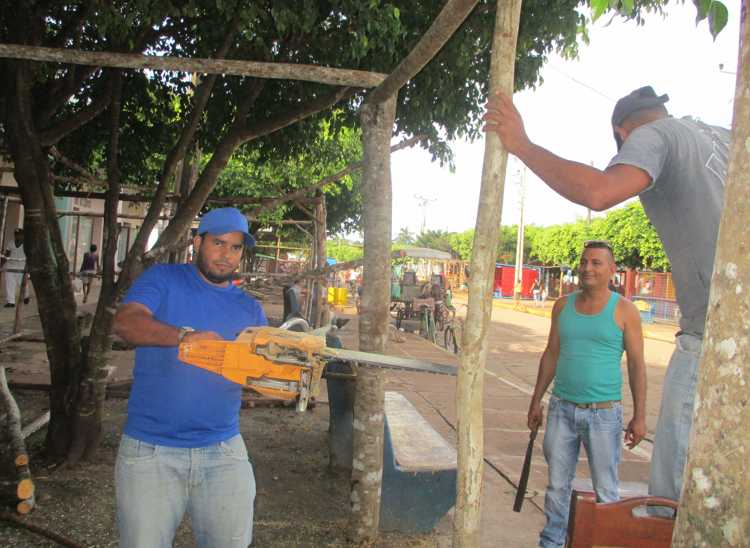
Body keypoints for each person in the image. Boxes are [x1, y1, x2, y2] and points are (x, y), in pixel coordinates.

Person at [485, 85, 728, 505]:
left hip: (713, 334)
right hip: (724, 331)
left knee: (673, 486)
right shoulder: (721, 137)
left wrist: (520, 144)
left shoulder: (655, 138)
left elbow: (599, 192)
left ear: (621, 134)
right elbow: (552, 352)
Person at [112, 207, 266, 548]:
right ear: (197, 242)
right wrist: (183, 336)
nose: (226, 255)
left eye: (236, 247)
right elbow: (125, 323)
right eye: (218, 243)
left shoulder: (249, 309)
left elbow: (259, 371)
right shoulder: (163, 280)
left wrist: (282, 378)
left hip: (223, 449)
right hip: (152, 450)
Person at [528, 241, 646, 548]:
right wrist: (536, 400)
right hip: (561, 410)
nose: (587, 268)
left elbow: (636, 365)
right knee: (556, 486)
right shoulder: (562, 306)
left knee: (606, 488)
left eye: (596, 263)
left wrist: (640, 416)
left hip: (604, 415)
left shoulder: (625, 310)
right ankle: (552, 542)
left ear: (612, 270)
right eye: (584, 262)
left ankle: (604, 542)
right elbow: (551, 353)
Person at [3, 228, 28, 308]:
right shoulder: (10, 243)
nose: (17, 236)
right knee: (9, 285)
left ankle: (26, 296)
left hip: (22, 268)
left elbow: (30, 257)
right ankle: (11, 302)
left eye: (19, 235)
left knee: (23, 284)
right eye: (16, 235)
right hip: (10, 268)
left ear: (23, 235)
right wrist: (1, 265)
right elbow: (6, 255)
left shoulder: (27, 245)